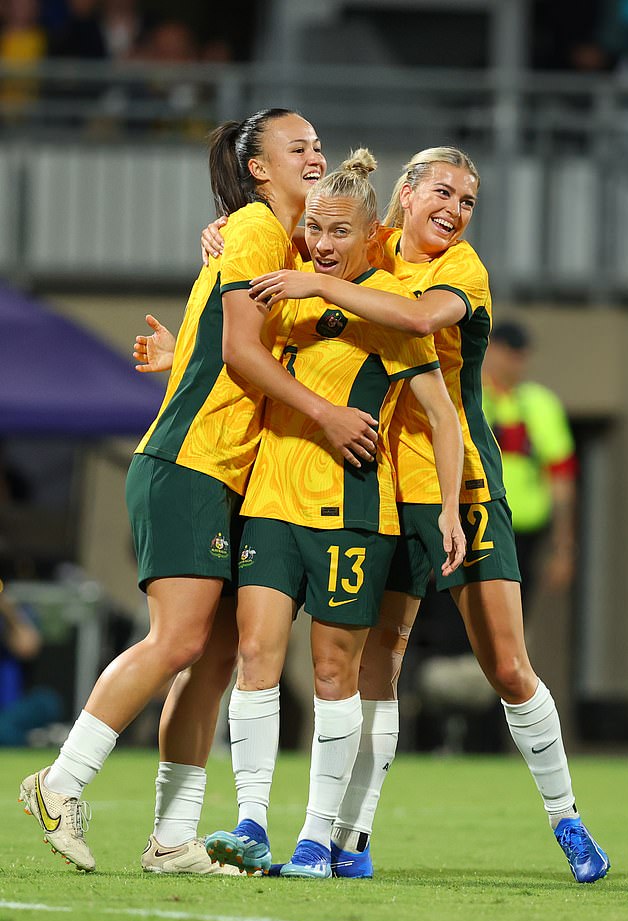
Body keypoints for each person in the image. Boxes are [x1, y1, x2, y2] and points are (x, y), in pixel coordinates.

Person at [18, 108, 379, 876]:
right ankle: (61, 780)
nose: (315, 156)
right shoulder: (251, 229)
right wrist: (326, 415)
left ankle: (172, 838)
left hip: (224, 474)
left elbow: (224, 340)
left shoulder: (274, 241)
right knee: (178, 640)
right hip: (190, 462)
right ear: (258, 168)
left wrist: (180, 348)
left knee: (211, 657)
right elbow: (245, 353)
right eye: (298, 147)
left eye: (319, 144)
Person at [248, 146, 610, 884]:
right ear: (405, 195)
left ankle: (567, 818)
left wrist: (320, 280)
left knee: (506, 664)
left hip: (463, 485)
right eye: (443, 191)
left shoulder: (462, 270)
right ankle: (351, 837)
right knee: (378, 670)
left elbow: (412, 316)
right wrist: (225, 237)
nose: (456, 209)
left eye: (469, 200)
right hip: (380, 486)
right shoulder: (369, 244)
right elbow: (309, 234)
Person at [201, 149, 465, 879]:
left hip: (352, 509)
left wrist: (447, 508)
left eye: (340, 232)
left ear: (372, 232)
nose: (321, 243)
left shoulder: (389, 308)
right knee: (255, 656)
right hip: (270, 500)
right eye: (314, 228)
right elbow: (240, 345)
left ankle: (319, 837)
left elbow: (442, 416)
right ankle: (250, 822)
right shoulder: (285, 283)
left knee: (332, 673)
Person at [482, 320, 577, 608]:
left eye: (520, 355)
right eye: (509, 353)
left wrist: (563, 547)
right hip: (476, 524)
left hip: (524, 532)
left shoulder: (541, 403)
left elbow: (561, 476)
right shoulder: (466, 395)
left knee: (513, 619)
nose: (515, 362)